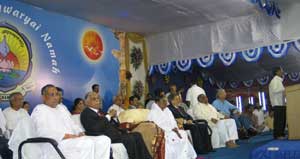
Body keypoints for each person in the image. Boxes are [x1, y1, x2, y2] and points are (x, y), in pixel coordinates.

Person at [31, 84, 111, 159]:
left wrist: (79, 132)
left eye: (57, 94)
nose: (56, 97)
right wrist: (68, 136)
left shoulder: (62, 108)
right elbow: (42, 132)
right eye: (52, 95)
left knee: (104, 140)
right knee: (87, 143)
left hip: (72, 139)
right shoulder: (40, 109)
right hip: (57, 143)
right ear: (43, 97)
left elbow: (73, 124)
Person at [81, 91, 151, 159]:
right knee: (131, 139)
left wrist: (122, 130)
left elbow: (112, 124)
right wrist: (109, 116)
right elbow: (95, 128)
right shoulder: (86, 113)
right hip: (106, 136)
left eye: (98, 98)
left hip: (115, 134)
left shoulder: (100, 112)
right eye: (94, 99)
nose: (98, 101)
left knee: (137, 134)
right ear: (87, 102)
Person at [268, 66, 286, 139]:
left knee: (282, 119)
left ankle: (281, 133)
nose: (283, 72)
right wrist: (284, 89)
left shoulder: (279, 80)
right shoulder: (275, 80)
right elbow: (275, 90)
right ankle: (277, 135)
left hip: (281, 103)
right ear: (277, 72)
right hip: (277, 103)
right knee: (279, 120)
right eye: (281, 70)